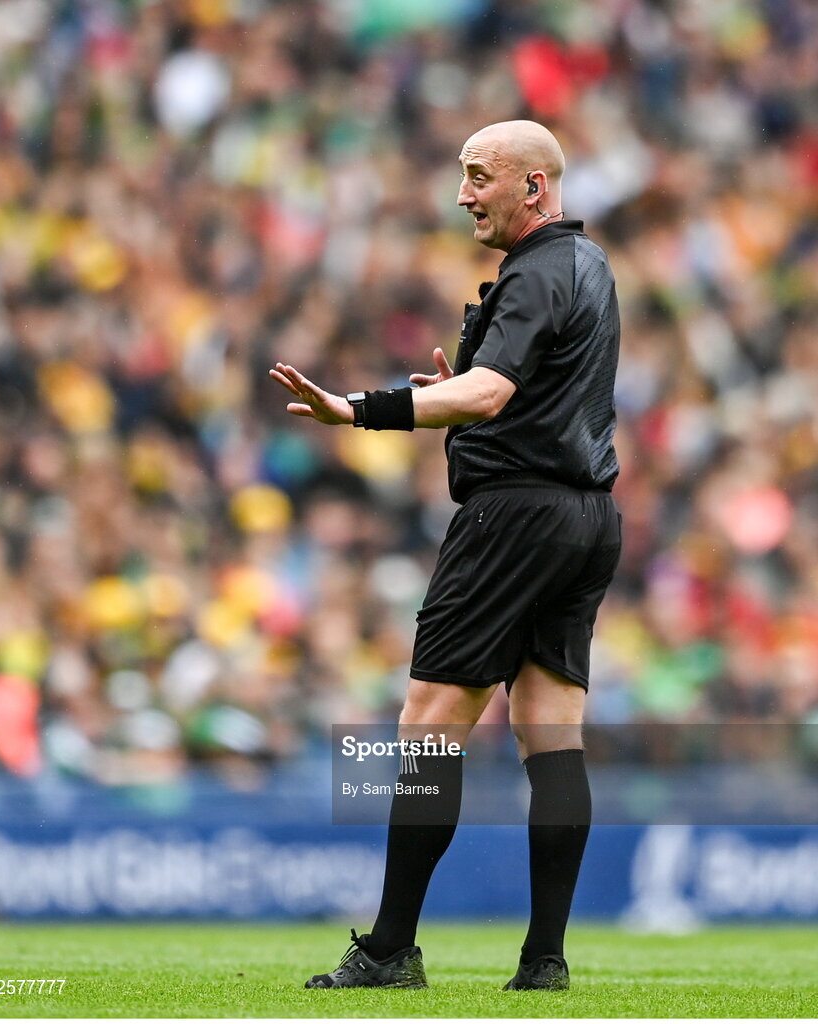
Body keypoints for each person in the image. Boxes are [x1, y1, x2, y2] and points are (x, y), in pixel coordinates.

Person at [269, 120, 621, 992]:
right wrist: (455, 397)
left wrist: (362, 409)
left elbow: (494, 389)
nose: (463, 194)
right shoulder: (592, 267)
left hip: (513, 518)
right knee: (552, 734)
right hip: (588, 518)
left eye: (479, 176)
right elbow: (519, 395)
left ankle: (389, 950)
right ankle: (544, 962)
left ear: (533, 187)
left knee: (428, 726)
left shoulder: (535, 269)